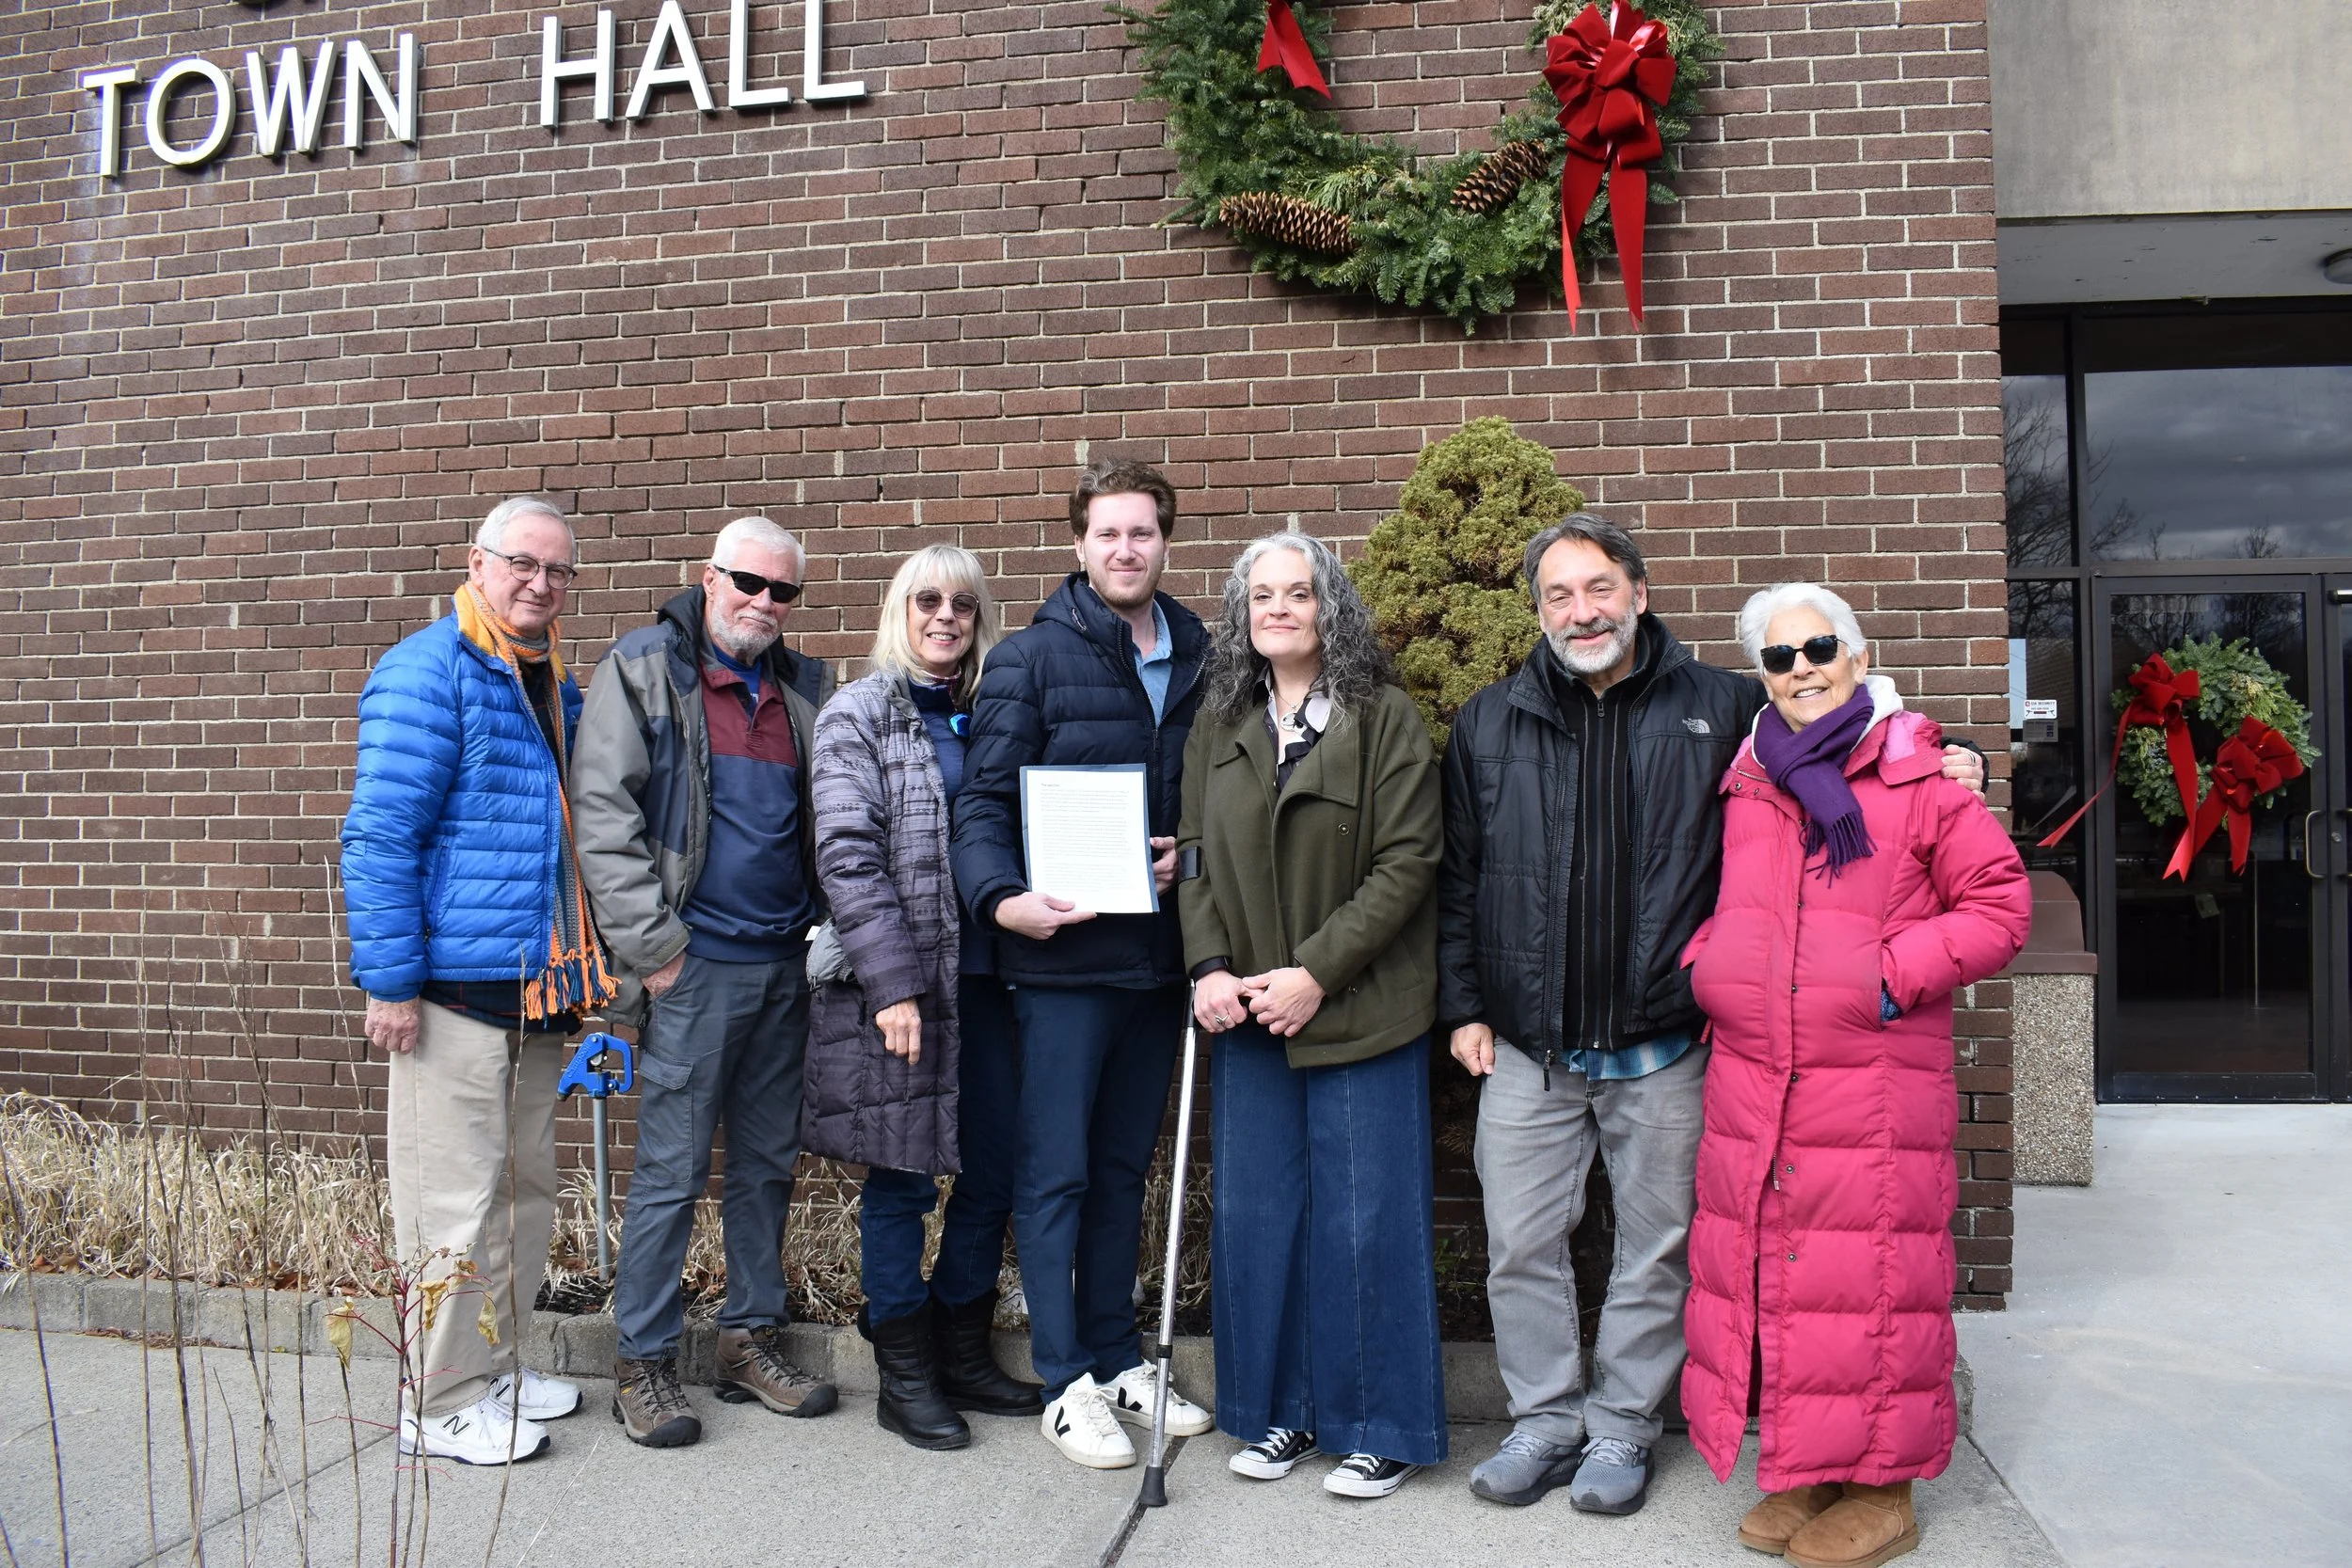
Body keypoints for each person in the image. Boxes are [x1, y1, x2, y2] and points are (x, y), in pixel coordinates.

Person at [1438, 514, 1987, 1515]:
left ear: (1638, 594)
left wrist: (1958, 756)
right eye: (1559, 594)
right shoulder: (1488, 720)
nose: (1581, 610)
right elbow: (1461, 877)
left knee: (1658, 1249)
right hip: (1528, 1044)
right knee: (1520, 1244)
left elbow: (1847, 732)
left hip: (1664, 1043)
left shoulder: (1724, 707)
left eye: (1599, 587)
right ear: (1539, 611)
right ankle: (1544, 1419)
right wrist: (1465, 1006)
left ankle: (1621, 1426)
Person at [1678, 584, 2028, 1568]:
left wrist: (1884, 976)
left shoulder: (1919, 772)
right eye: (1779, 656)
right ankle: (1816, 1466)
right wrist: (1711, 966)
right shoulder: (1750, 781)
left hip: (1873, 1080)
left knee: (1874, 1279)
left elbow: (2000, 906)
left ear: (1859, 656)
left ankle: (1886, 1490)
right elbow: (1732, 905)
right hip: (1760, 1080)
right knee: (1795, 1280)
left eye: (1820, 647)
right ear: (1762, 676)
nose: (1802, 669)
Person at [948, 459, 1216, 1469]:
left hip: (1158, 961)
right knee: (1055, 1172)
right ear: (1078, 544)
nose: (1125, 549)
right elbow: (981, 804)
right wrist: (1000, 897)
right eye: (1108, 532)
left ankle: (1115, 1356)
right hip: (1060, 964)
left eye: (1142, 532)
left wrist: (1190, 854)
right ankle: (1063, 1379)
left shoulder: (1204, 655)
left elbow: (1219, 803)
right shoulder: (1029, 658)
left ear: (1164, 540)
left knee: (1119, 1171)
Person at [342, 495, 611, 1465]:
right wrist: (391, 982)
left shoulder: (549, 681)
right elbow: (380, 836)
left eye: (558, 569)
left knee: (522, 1192)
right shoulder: (428, 670)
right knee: (451, 1206)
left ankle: (496, 1364)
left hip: (533, 988)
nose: (540, 582)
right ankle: (440, 1397)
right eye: (522, 563)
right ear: (477, 562)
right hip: (450, 993)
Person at [1177, 532, 1447, 1499]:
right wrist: (1208, 965)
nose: (1279, 609)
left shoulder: (1384, 717)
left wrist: (1316, 972)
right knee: (1262, 1220)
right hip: (1250, 1015)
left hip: (1361, 1010)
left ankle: (1380, 1425)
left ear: (1331, 608)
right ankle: (1280, 1413)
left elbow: (1408, 861)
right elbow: (1194, 855)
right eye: (1262, 596)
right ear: (1241, 613)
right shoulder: (1221, 720)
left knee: (1365, 1221)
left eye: (1298, 592)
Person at [572, 515, 839, 1449]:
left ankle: (746, 1339)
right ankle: (641, 1360)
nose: (763, 602)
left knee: (765, 1165)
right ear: (709, 576)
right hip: (692, 971)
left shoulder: (805, 689)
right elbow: (602, 816)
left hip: (782, 965)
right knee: (672, 1173)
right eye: (747, 582)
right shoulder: (645, 669)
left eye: (782, 590)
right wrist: (657, 952)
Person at [803, 544, 1041, 1450]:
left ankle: (962, 1348)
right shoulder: (859, 713)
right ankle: (903, 1376)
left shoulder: (993, 714)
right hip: (901, 987)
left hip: (993, 980)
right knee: (902, 1178)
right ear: (900, 611)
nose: (946, 616)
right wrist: (893, 985)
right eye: (927, 600)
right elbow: (848, 856)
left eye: (963, 604)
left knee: (994, 1170)